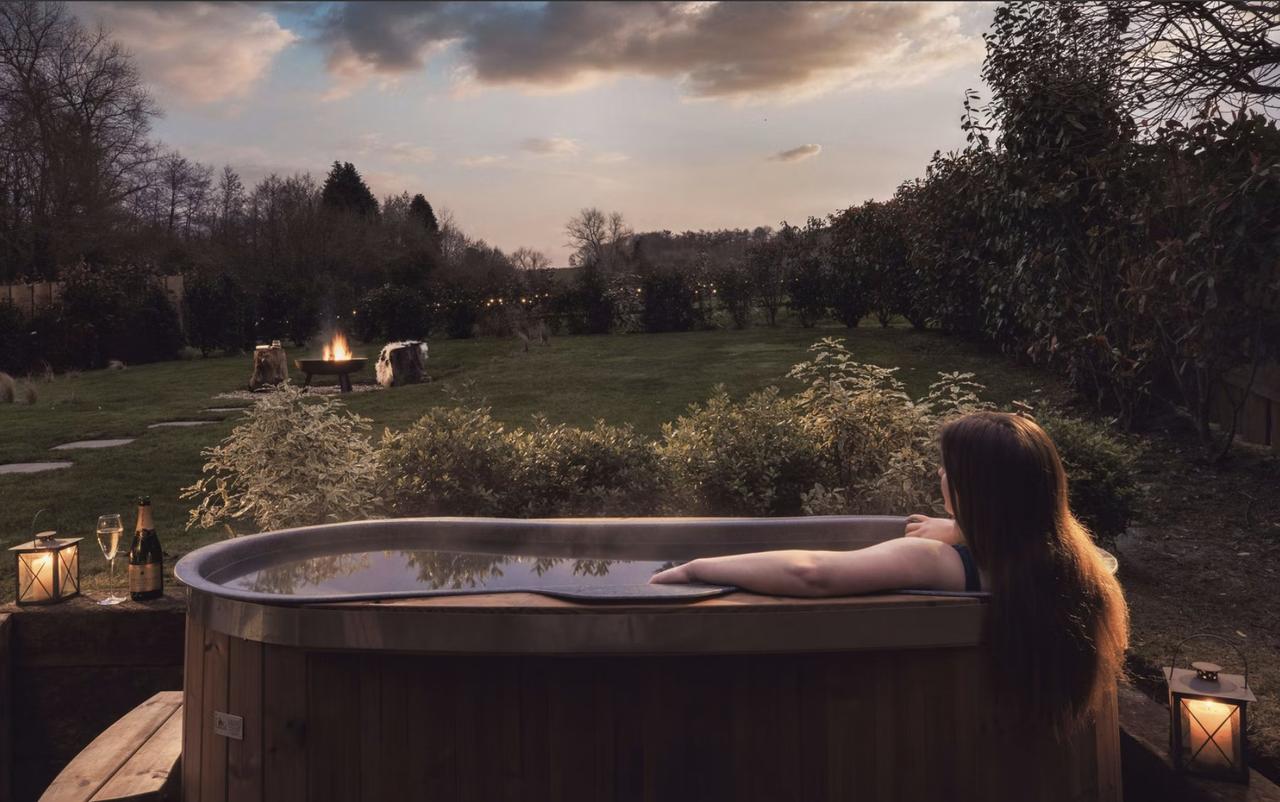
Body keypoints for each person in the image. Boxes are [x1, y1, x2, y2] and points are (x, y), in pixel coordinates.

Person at [650, 411, 1128, 732]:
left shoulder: (935, 563)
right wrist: (961, 528)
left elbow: (812, 573)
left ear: (971, 491)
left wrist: (699, 566)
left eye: (948, 471)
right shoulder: (1072, 564)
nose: (940, 476)